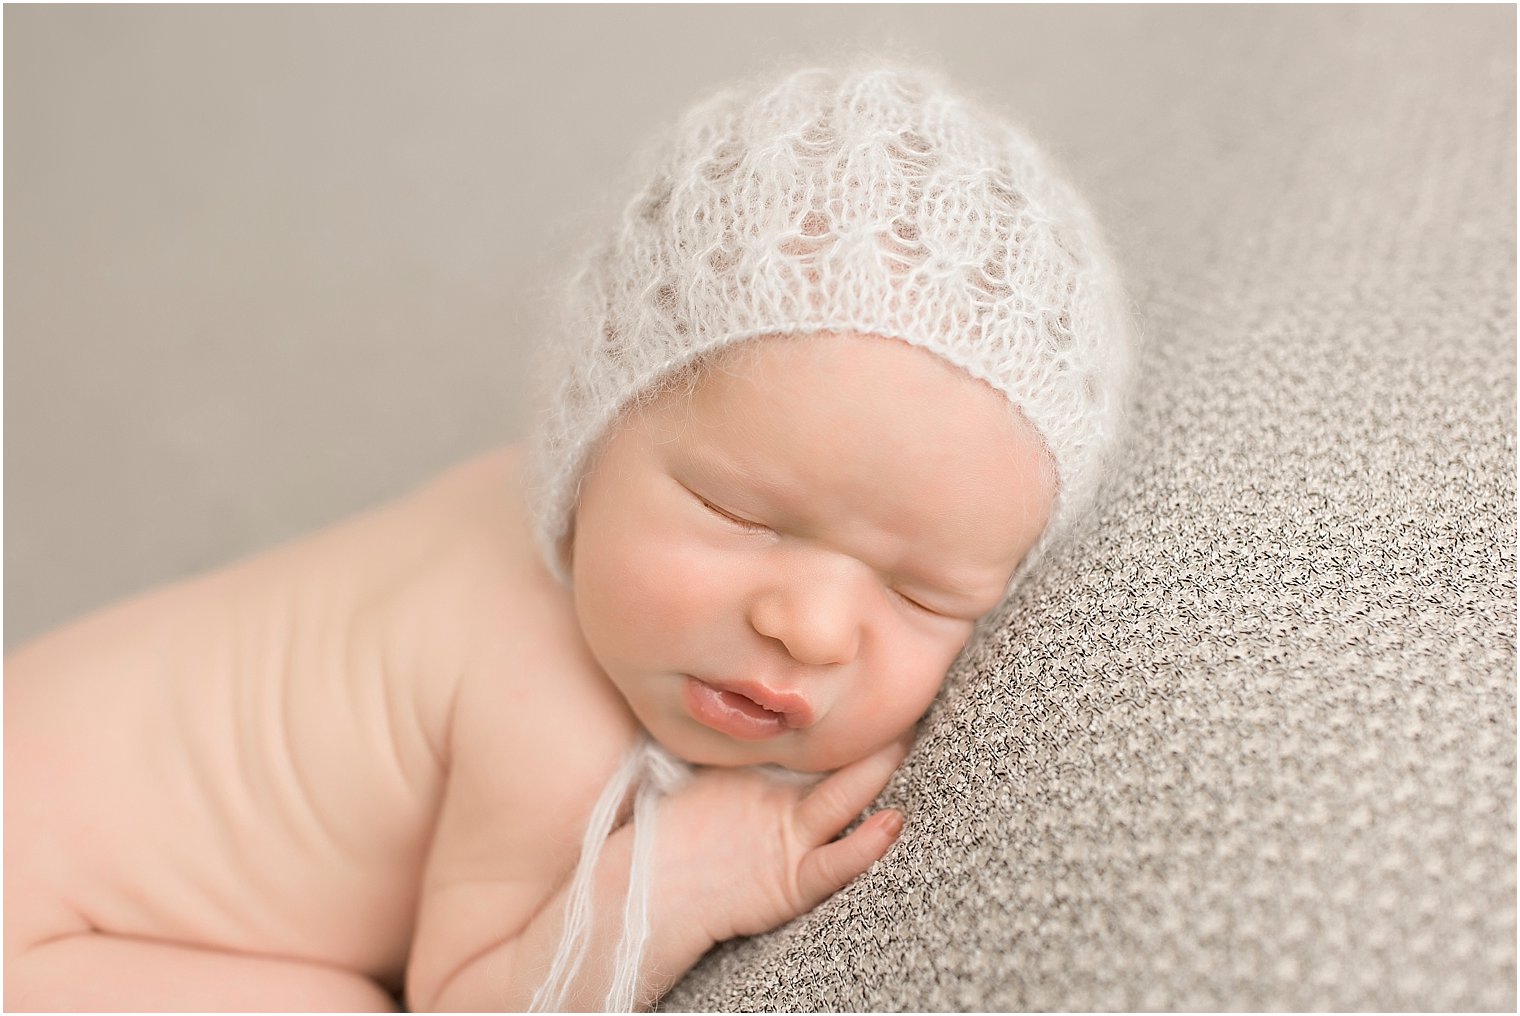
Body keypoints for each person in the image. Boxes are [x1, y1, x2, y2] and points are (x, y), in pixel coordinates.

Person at [3, 59, 1134, 1011]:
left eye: (925, 590)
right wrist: (694, 874)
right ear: (585, 441)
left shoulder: (545, 513)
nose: (810, 624)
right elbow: (472, 998)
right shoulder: (543, 703)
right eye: (741, 516)